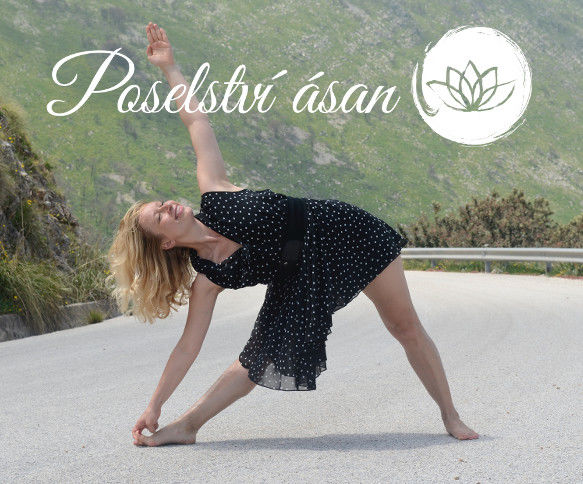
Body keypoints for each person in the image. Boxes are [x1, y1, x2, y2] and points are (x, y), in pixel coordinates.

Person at [106, 22, 479, 447]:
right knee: (258, 357)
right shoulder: (209, 279)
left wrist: (170, 68)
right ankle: (187, 425)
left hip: (341, 230)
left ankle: (450, 415)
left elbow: (196, 122)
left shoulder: (215, 190)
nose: (169, 206)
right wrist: (154, 405)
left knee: (404, 326)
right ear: (166, 243)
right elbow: (187, 348)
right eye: (160, 217)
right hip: (296, 278)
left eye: (162, 202)